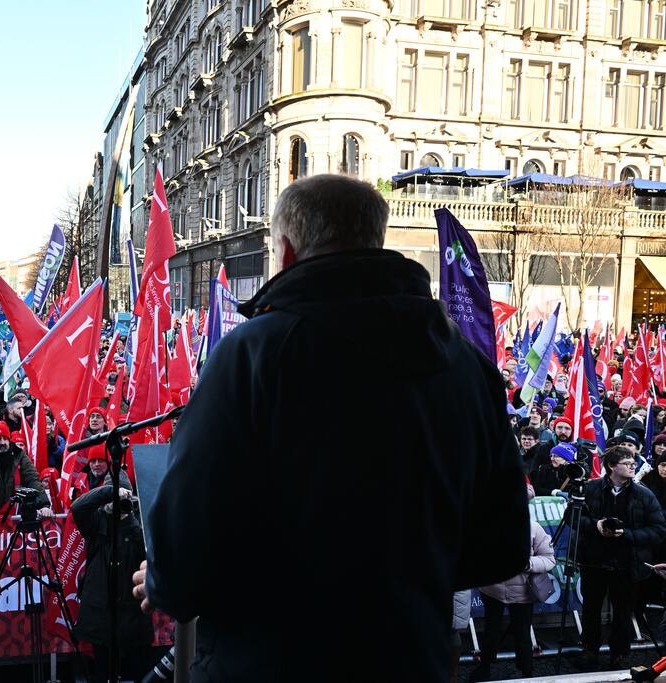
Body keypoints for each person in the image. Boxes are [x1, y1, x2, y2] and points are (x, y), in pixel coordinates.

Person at [133, 174, 530, 681]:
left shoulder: (253, 355)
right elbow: (503, 544)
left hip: (271, 663)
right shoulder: (467, 366)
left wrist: (164, 582)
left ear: (287, 252)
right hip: (410, 659)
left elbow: (187, 542)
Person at [577, 446, 666, 670]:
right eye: (627, 463)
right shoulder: (591, 488)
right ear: (611, 466)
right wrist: (595, 525)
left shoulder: (644, 494)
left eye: (633, 463)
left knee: (623, 613)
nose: (632, 466)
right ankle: (589, 649)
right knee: (590, 609)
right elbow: (572, 517)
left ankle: (620, 655)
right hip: (594, 561)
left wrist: (626, 534)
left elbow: (658, 530)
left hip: (628, 563)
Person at [71, 476, 152, 681]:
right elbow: (78, 507)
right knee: (102, 670)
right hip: (101, 608)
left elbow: (147, 550)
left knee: (139, 669)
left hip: (132, 609)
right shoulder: (96, 521)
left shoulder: (138, 520)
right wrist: (109, 492)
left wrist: (130, 516)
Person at [469, 516, 556, 681]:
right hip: (492, 589)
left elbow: (549, 559)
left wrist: (526, 564)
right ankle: (485, 666)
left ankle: (527, 672)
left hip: (522, 593)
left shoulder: (534, 528)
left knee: (522, 633)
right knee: (491, 630)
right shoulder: (486, 526)